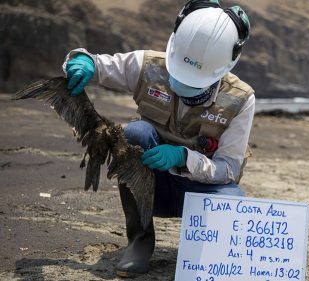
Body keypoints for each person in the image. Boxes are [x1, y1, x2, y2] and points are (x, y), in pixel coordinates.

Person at [61, 0, 254, 277]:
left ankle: (209, 256)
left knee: (233, 197)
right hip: (152, 189)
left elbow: (230, 169)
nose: (183, 86)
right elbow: (101, 65)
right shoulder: (149, 65)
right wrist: (82, 61)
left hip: (199, 193)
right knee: (134, 134)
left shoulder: (240, 100)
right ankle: (139, 240)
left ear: (223, 68)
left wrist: (183, 157)